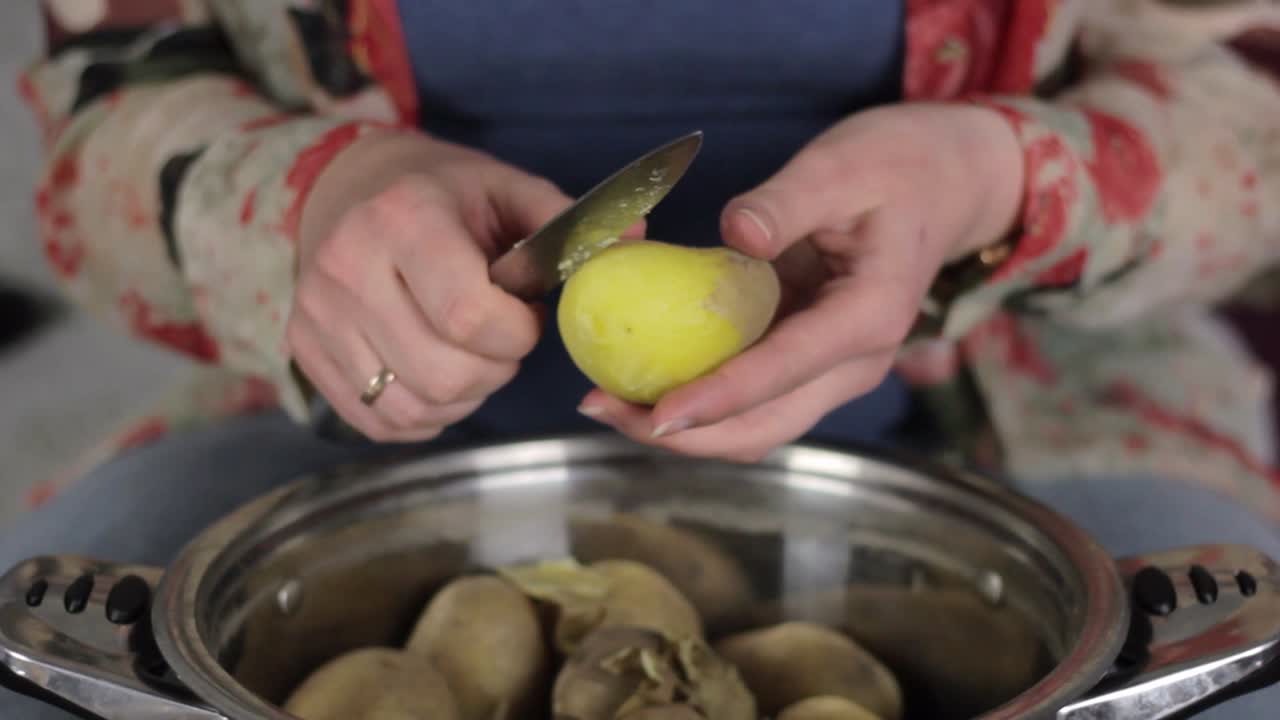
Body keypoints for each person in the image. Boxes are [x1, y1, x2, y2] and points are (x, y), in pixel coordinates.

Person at [3, 0, 1280, 717]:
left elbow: (1254, 104)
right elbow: (98, 103)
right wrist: (301, 205)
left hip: (1019, 432)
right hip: (339, 432)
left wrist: (1006, 176)